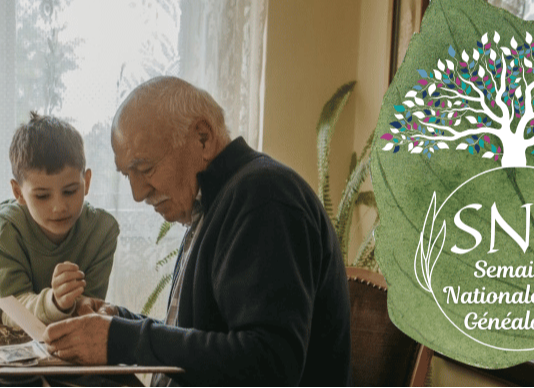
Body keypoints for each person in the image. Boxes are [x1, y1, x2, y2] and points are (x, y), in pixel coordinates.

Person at [43, 77, 352, 386]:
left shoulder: (265, 197)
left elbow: (269, 363)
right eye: (128, 175)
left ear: (203, 138)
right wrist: (118, 323)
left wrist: (124, 339)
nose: (138, 193)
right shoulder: (216, 201)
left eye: (146, 168)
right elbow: (204, 344)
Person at [0, 112, 120, 326]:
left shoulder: (102, 231)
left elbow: (89, 310)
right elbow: (14, 308)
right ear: (18, 192)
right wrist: (55, 302)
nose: (59, 207)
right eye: (42, 196)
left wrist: (84, 306)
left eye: (70, 191)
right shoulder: (6, 230)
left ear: (87, 181)